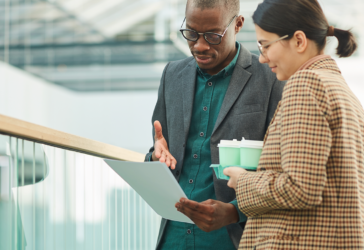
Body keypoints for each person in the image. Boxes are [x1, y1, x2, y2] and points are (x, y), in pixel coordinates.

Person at [223, 0, 364, 249]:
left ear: (299, 41)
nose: (263, 59)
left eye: (265, 46)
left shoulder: (306, 85)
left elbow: (299, 188)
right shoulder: (342, 91)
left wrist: (243, 180)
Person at [145, 0, 285, 249]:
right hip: (173, 237)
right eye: (191, 33)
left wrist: (234, 211)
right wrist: (156, 160)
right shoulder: (171, 75)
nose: (199, 45)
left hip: (235, 238)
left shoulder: (271, 78)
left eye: (212, 35)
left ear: (238, 25)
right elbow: (158, 151)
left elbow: (282, 171)